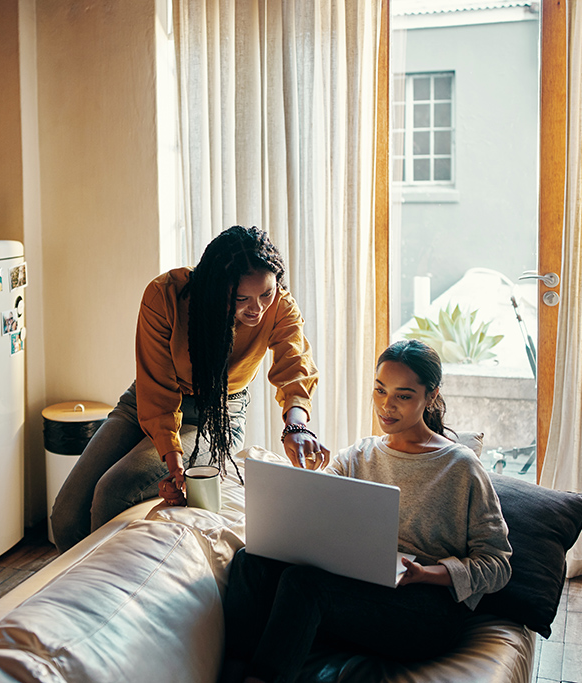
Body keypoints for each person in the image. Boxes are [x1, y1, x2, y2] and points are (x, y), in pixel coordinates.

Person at [221, 339, 512, 682]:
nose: (387, 406)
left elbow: (497, 565)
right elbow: (314, 513)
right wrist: (307, 478)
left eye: (403, 396)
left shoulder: (460, 466)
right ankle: (231, 671)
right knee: (249, 561)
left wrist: (425, 574)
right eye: (379, 390)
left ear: (431, 396)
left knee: (304, 585)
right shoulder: (360, 455)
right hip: (356, 589)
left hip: (425, 609)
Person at [50, 226, 329, 553]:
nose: (257, 309)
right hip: (151, 399)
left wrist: (296, 426)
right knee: (65, 517)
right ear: (215, 287)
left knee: (112, 492)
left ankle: (104, 593)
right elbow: (157, 391)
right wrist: (173, 462)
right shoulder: (165, 296)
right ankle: (78, 586)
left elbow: (294, 367)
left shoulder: (280, 306)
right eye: (241, 298)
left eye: (266, 294)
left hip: (218, 414)